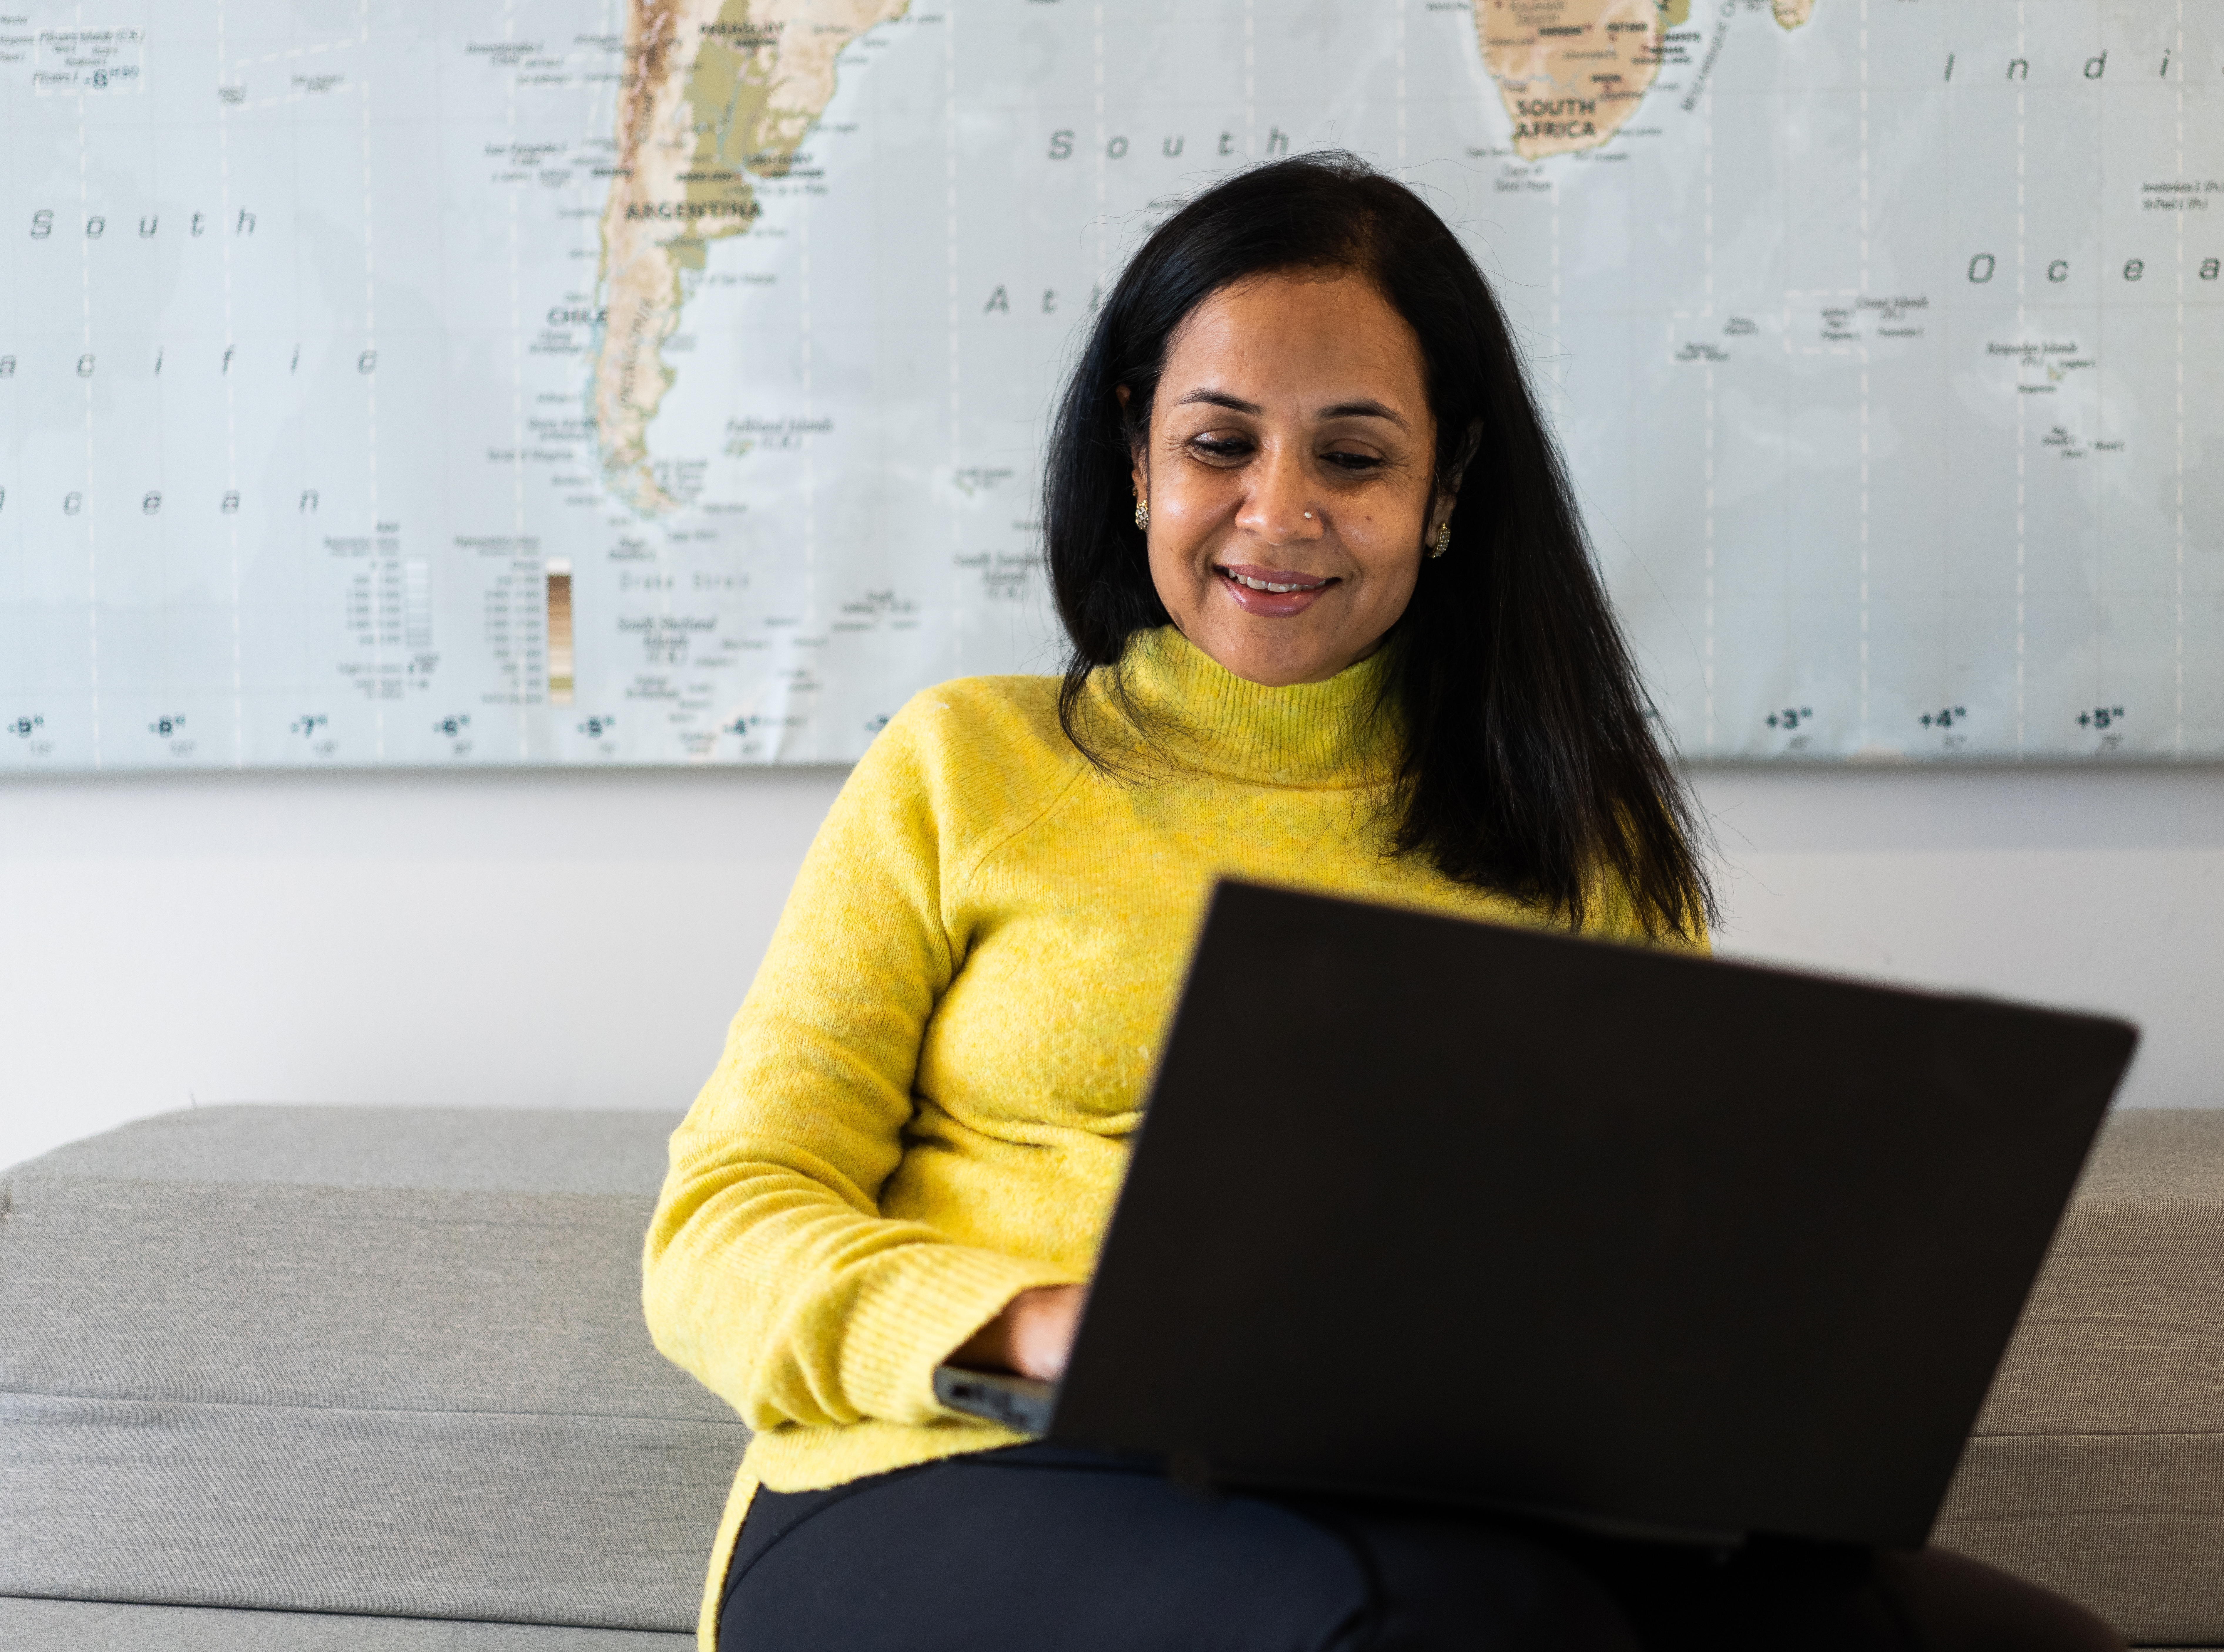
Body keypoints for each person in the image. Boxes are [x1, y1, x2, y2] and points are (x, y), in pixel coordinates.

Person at [644, 153, 2119, 1652]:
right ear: (1136, 454)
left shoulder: (1576, 831)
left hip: (1434, 1505)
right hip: (946, 1471)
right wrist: (1040, 1326)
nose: (1275, 513)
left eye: (1352, 458)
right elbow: (720, 1223)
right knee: (1454, 1621)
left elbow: (1653, 1286)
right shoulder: (963, 763)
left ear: (1447, 489)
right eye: (1219, 442)